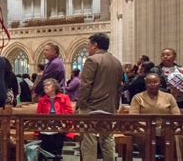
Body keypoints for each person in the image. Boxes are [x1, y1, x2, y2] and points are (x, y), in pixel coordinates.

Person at [78, 33, 123, 161]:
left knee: (89, 138)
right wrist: (115, 105)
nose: (88, 48)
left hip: (91, 107)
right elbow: (119, 87)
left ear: (95, 45)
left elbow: (85, 85)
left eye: (89, 45)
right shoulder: (117, 62)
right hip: (109, 107)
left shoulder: (92, 60)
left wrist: (81, 104)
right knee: (107, 137)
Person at [36, 78, 74, 160]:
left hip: (61, 125)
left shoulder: (64, 97)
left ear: (54, 87)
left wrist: (63, 121)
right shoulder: (42, 100)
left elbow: (69, 112)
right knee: (46, 140)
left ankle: (56, 155)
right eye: (44, 85)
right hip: (46, 127)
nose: (45, 87)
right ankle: (47, 156)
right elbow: (38, 115)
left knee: (58, 136)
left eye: (48, 85)